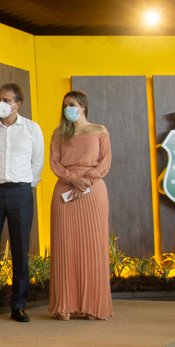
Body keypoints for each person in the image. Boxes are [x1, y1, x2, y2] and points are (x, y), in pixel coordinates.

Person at [0, 83, 45, 323]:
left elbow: (37, 163)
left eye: (6, 100)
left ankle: (18, 306)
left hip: (21, 193)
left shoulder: (32, 129)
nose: (1, 104)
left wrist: (24, 185)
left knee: (20, 250)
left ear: (18, 104)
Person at [49, 91, 113, 320]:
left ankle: (92, 306)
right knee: (65, 246)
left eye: (72, 104)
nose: (68, 108)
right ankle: (65, 305)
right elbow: (54, 162)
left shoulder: (100, 130)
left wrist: (86, 181)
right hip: (65, 189)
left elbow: (105, 161)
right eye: (65, 105)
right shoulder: (59, 134)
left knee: (93, 246)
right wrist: (71, 179)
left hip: (92, 190)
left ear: (83, 107)